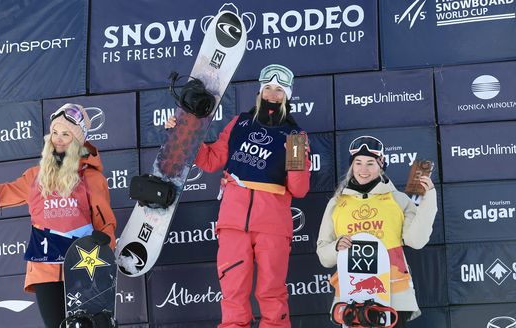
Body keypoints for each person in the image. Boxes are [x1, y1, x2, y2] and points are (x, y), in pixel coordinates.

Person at [165, 64, 310, 327]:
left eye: (279, 90)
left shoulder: (295, 135)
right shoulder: (239, 123)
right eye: (268, 88)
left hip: (273, 226)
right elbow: (211, 161)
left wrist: (297, 154)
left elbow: (299, 190)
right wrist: (182, 133)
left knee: (272, 294)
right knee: (233, 294)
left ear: (287, 95)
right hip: (233, 223)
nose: (273, 95)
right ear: (260, 91)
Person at [0, 103, 117, 328]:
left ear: (78, 140)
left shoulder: (92, 178)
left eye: (66, 134)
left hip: (84, 266)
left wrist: (106, 239)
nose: (58, 139)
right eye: (55, 132)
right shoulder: (35, 177)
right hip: (45, 271)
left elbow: (106, 222)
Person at [316, 135, 437, 327]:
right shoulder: (337, 203)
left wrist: (429, 198)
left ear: (381, 165)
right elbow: (325, 257)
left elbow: (417, 240)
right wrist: (336, 247)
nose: (363, 169)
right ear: (352, 166)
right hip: (351, 297)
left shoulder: (398, 200)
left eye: (370, 163)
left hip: (394, 295)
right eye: (358, 163)